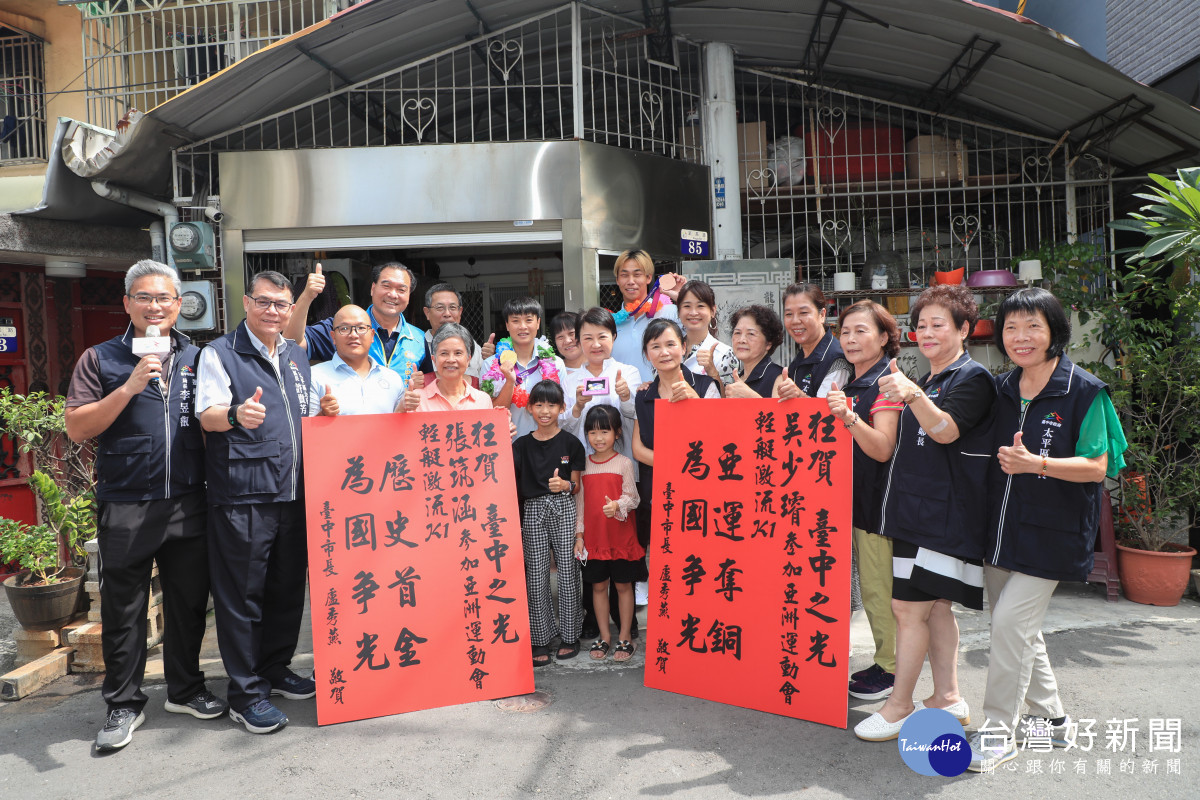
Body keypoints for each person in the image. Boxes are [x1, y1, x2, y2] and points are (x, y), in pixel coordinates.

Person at [65, 260, 228, 752]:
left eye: (164, 299)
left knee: (187, 605)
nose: (155, 307)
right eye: (144, 297)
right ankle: (123, 702)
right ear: (127, 304)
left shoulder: (201, 359)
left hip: (188, 501)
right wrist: (131, 385)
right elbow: (77, 427)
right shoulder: (101, 359)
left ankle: (184, 688)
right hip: (127, 504)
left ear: (180, 305)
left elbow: (213, 419)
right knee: (124, 609)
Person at [968, 288, 1126, 772]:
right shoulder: (1000, 387)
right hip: (999, 529)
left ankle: (998, 731)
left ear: (1054, 331)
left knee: (1010, 626)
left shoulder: (1084, 391)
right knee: (1018, 629)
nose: (1021, 337)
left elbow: (1098, 467)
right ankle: (1052, 720)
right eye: (1011, 327)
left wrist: (1037, 463)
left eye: (1033, 326)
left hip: (1052, 532)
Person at [853, 284, 996, 742]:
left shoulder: (972, 379)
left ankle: (898, 706)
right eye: (921, 325)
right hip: (917, 516)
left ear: (964, 330)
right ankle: (948, 697)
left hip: (942, 519)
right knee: (935, 609)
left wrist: (913, 394)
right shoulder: (933, 379)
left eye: (939, 324)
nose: (927, 332)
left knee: (906, 609)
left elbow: (946, 431)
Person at [196, 270, 316, 735]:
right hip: (244, 496)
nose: (273, 311)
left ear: (290, 310)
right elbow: (206, 417)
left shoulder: (294, 355)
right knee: (242, 597)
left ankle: (275, 668)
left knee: (287, 590)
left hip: (294, 493)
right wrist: (234, 414)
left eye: (281, 305)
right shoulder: (221, 353)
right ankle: (245, 693)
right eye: (264, 302)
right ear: (245, 303)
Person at [822, 301, 903, 702]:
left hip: (876, 504)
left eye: (861, 331)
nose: (851, 340)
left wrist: (850, 418)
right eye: (846, 332)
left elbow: (883, 448)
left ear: (885, 337)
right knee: (862, 588)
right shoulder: (851, 383)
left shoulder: (887, 383)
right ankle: (884, 659)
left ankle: (891, 668)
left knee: (876, 587)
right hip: (844, 502)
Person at [511, 380, 586, 666]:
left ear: (562, 407)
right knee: (536, 576)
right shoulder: (521, 445)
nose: (545, 411)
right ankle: (540, 638)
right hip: (532, 510)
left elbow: (578, 487)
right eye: (539, 404)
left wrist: (564, 484)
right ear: (529, 408)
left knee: (568, 572)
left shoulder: (571, 443)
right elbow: (513, 486)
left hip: (564, 508)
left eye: (552, 405)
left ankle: (570, 635)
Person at [632, 319, 722, 555]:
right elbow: (638, 450)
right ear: (646, 353)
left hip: (699, 492)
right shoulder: (643, 396)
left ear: (684, 347)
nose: (664, 352)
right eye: (655, 346)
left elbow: (718, 440)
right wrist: (679, 464)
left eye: (670, 344)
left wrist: (695, 403)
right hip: (657, 495)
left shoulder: (705, 387)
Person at [574, 405, 642, 663]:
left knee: (624, 586)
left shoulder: (624, 463)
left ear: (616, 433)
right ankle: (604, 635)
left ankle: (625, 635)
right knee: (598, 586)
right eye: (592, 432)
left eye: (604, 431)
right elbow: (580, 505)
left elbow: (633, 498)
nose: (598, 438)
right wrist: (579, 536)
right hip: (595, 540)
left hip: (621, 537)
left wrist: (617, 505)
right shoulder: (583, 467)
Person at [286, 261, 426, 383]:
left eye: (401, 289)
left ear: (409, 295)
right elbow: (291, 343)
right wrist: (307, 297)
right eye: (386, 286)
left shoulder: (420, 339)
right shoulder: (343, 328)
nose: (393, 294)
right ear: (373, 288)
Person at [559, 307, 641, 463]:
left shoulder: (629, 373)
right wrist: (577, 407)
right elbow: (563, 427)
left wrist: (625, 396)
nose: (596, 345)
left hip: (622, 463)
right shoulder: (569, 381)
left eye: (602, 337)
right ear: (578, 341)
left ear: (614, 336)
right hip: (584, 466)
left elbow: (635, 415)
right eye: (588, 338)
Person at [480, 297, 570, 438]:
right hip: (509, 446)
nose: (522, 326)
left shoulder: (556, 363)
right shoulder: (491, 365)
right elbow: (490, 412)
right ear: (507, 325)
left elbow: (563, 409)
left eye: (528, 320)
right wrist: (509, 382)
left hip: (547, 445)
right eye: (515, 321)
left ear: (538, 323)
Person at [308, 304, 406, 416]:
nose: (353, 335)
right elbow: (305, 430)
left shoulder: (393, 379)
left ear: (372, 335)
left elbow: (399, 429)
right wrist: (323, 415)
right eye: (344, 329)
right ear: (333, 337)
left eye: (361, 328)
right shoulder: (314, 376)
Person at [609, 249, 678, 381]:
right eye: (624, 275)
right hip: (623, 399)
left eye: (637, 274)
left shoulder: (670, 313)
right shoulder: (609, 324)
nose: (631, 281)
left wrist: (681, 297)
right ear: (617, 280)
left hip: (660, 398)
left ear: (648, 277)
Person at [398, 323, 497, 413]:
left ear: (468, 359)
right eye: (444, 353)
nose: (451, 359)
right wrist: (401, 408)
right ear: (434, 360)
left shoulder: (483, 400)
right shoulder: (417, 399)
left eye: (458, 353)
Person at [775, 283, 845, 399]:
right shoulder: (801, 357)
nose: (795, 321)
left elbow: (825, 412)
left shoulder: (837, 359)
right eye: (789, 314)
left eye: (803, 313)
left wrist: (799, 396)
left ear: (822, 315)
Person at [415, 283, 496, 380]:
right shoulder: (417, 346)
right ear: (427, 313)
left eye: (452, 307)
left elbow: (486, 383)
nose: (447, 314)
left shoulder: (472, 346)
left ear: (460, 312)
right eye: (440, 308)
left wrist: (490, 360)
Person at [676, 280, 740, 387]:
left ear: (712, 311)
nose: (693, 312)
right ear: (679, 311)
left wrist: (712, 371)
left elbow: (730, 400)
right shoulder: (669, 349)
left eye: (700, 306)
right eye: (687, 306)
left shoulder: (724, 354)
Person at [722, 305, 786, 399]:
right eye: (737, 333)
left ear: (768, 343)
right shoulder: (739, 377)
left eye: (751, 334)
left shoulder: (778, 377)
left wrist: (751, 397)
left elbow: (781, 414)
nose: (742, 340)